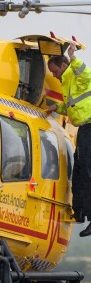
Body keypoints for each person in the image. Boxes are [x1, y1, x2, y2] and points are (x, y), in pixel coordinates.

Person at [47, 42, 91, 237]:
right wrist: (57, 109)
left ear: (63, 65)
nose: (54, 75)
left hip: (90, 127)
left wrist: (73, 57)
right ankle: (81, 212)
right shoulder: (66, 81)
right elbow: (73, 106)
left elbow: (86, 74)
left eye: (55, 71)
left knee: (88, 171)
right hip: (84, 129)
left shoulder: (75, 75)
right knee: (80, 170)